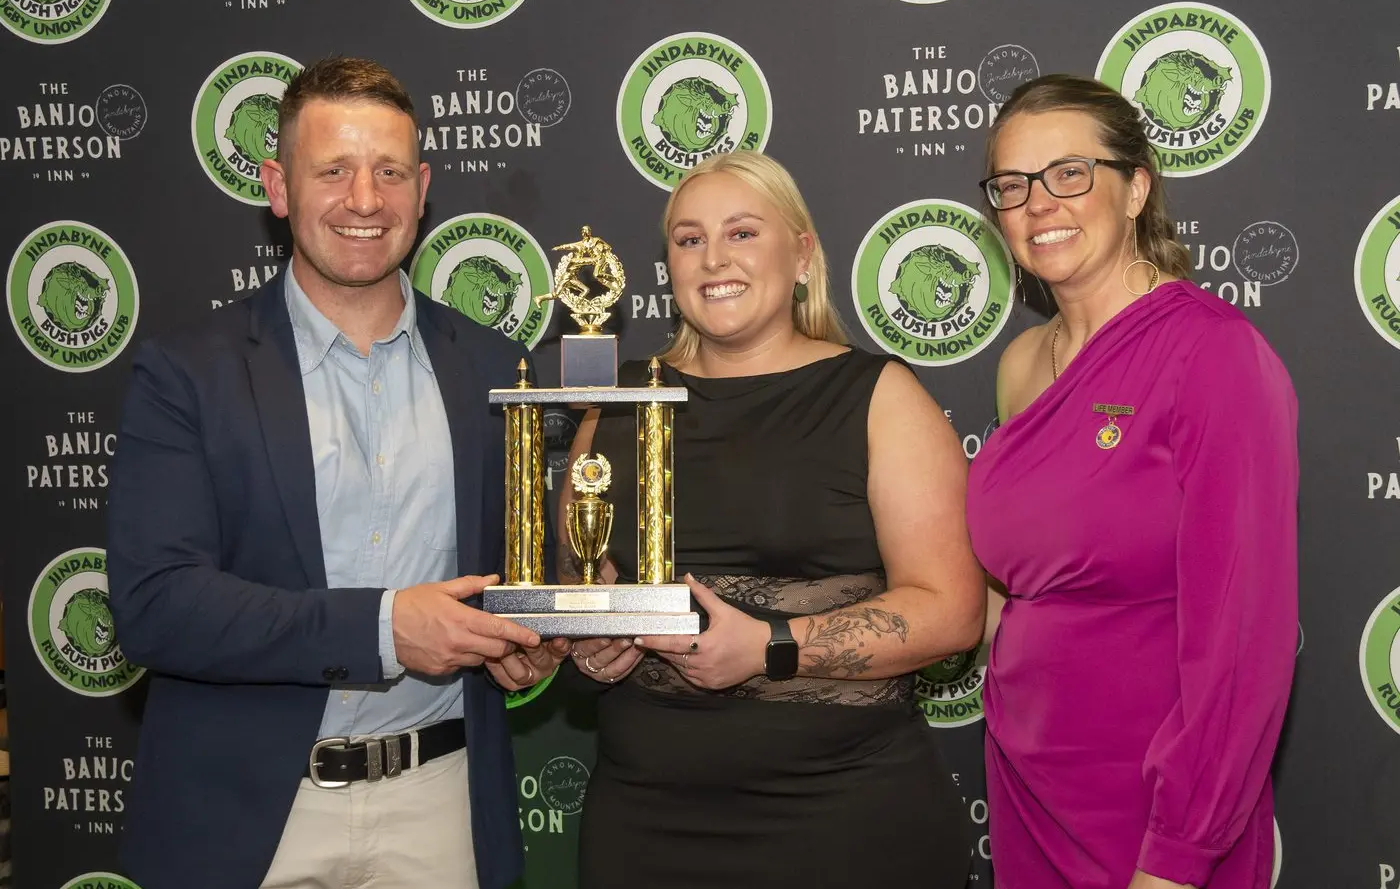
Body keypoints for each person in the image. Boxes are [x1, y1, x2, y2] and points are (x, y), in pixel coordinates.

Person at [105, 57, 567, 889]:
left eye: (390, 172)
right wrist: (384, 629)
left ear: (422, 188)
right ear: (278, 187)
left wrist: (529, 641)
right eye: (334, 170)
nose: (365, 200)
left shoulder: (499, 369)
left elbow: (514, 575)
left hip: (443, 807)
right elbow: (154, 606)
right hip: (251, 818)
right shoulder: (187, 372)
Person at [560, 150, 985, 888]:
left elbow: (951, 612)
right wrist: (590, 637)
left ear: (802, 254)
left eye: (743, 233)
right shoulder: (621, 400)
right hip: (646, 823)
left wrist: (769, 646)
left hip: (846, 820)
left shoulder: (878, 394)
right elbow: (577, 574)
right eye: (689, 239)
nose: (714, 258)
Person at [965, 74, 1298, 889]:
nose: (1039, 203)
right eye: (1013, 185)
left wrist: (1180, 854)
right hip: (1029, 788)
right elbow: (1008, 594)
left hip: (1159, 812)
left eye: (1069, 173)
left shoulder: (1213, 354)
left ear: (1137, 186)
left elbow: (1243, 638)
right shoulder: (1019, 364)